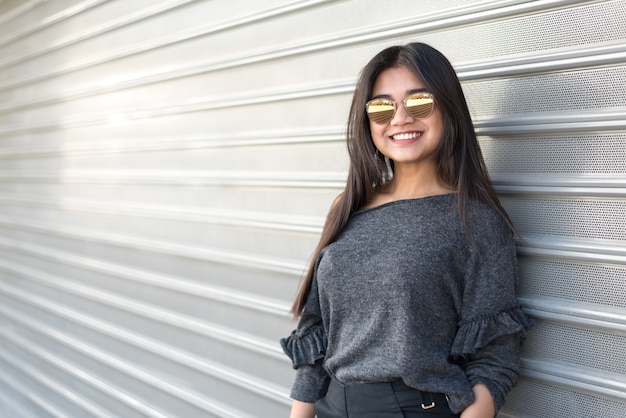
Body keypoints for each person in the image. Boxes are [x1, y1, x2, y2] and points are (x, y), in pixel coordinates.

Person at [280, 42, 532, 418]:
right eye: (382, 106)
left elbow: (495, 358)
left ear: (448, 108)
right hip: (332, 403)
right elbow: (316, 332)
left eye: (419, 103)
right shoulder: (347, 208)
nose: (399, 118)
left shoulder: (475, 220)